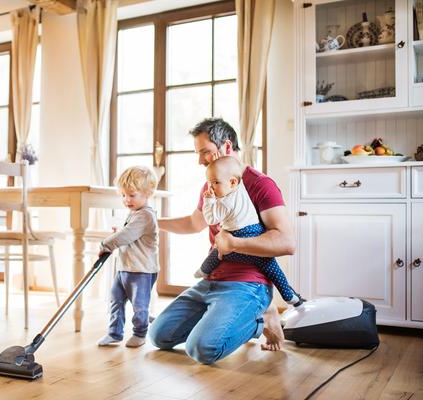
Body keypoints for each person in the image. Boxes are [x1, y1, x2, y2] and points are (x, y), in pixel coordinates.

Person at [148, 117, 295, 363]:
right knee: (158, 336)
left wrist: (236, 244)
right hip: (211, 280)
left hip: (248, 283)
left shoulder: (261, 185)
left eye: (205, 152)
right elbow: (194, 223)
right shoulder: (212, 184)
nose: (199, 160)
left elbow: (285, 242)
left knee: (202, 349)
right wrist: (151, 222)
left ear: (227, 147)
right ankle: (226, 316)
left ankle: (262, 318)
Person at [194, 156, 301, 306]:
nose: (210, 188)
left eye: (215, 183)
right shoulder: (241, 186)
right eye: (209, 183)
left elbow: (211, 219)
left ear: (232, 182)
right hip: (254, 231)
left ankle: (203, 270)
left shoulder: (225, 202)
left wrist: (209, 201)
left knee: (217, 254)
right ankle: (290, 296)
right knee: (273, 269)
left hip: (237, 238)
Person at [97, 166, 159, 348]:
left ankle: (140, 333)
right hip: (125, 267)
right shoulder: (134, 213)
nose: (126, 200)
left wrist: (106, 244)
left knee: (139, 305)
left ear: (147, 193)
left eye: (131, 195)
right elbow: (128, 233)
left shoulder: (146, 215)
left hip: (141, 270)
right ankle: (114, 333)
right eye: (123, 195)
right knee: (115, 299)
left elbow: (126, 235)